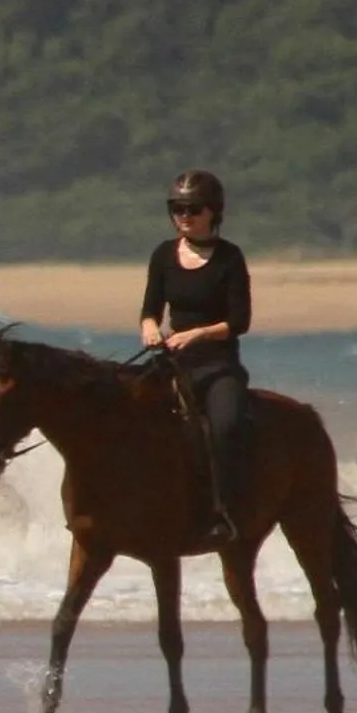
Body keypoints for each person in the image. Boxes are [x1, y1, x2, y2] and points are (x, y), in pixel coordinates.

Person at [138, 169, 253, 547]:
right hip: (173, 362)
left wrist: (198, 333)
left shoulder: (230, 258)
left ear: (212, 211)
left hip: (217, 363)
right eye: (177, 208)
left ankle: (222, 511)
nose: (183, 215)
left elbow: (239, 321)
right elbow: (150, 310)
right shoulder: (162, 255)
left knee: (225, 425)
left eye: (192, 208)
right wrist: (151, 329)